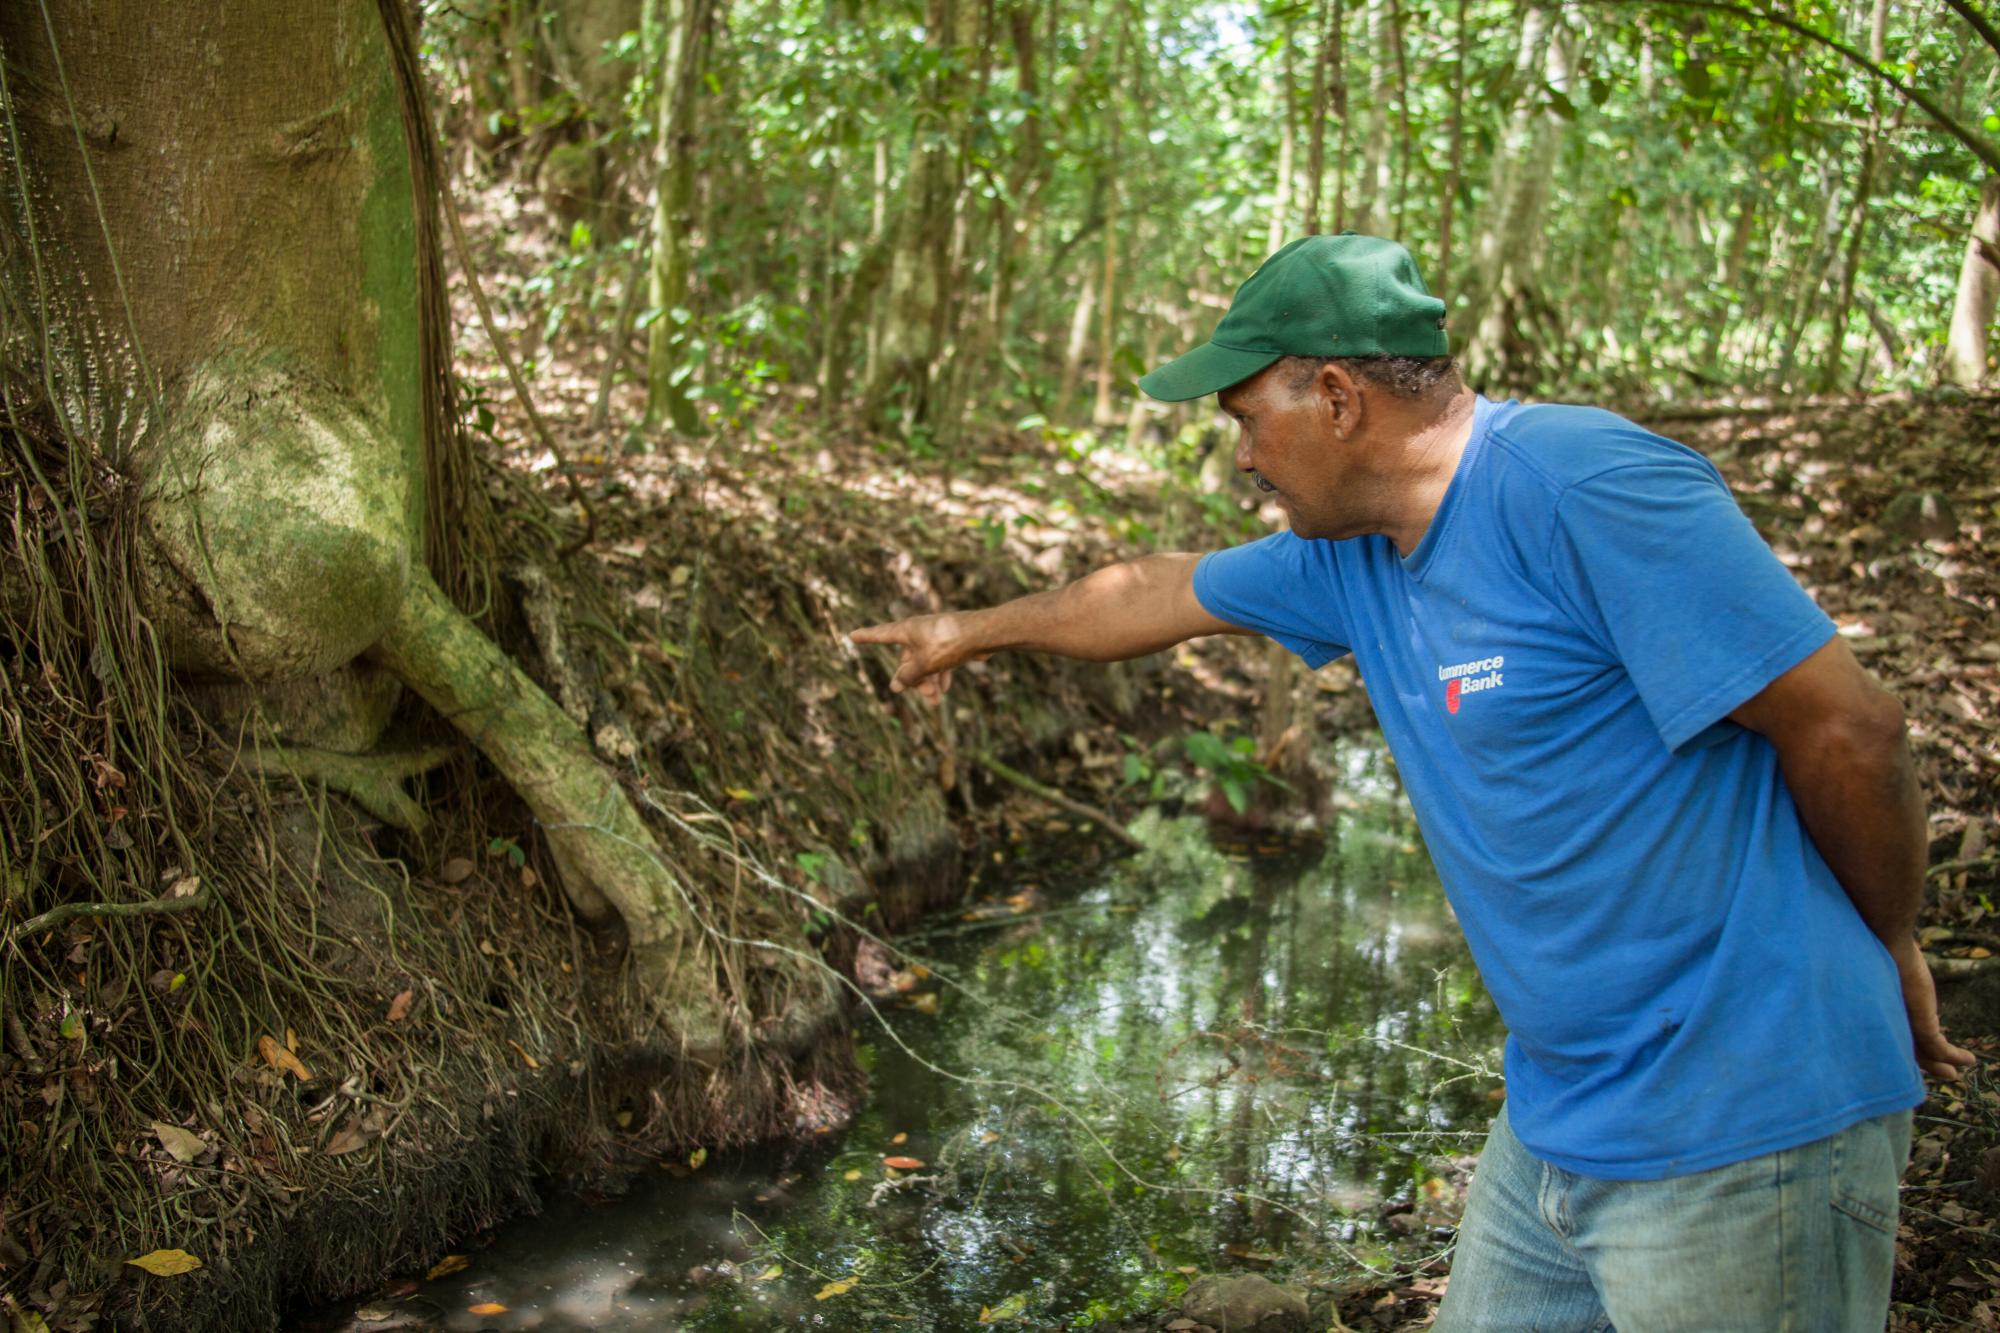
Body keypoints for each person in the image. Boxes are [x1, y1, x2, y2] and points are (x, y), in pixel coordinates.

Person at [850, 234, 1974, 1330]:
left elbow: (1848, 728)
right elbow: (1155, 589)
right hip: (1559, 1117)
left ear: (1336, 398)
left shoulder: (1578, 484)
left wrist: (1887, 938)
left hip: (1744, 1116)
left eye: (1246, 419)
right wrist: (968, 630)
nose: (1241, 455)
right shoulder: (1350, 556)